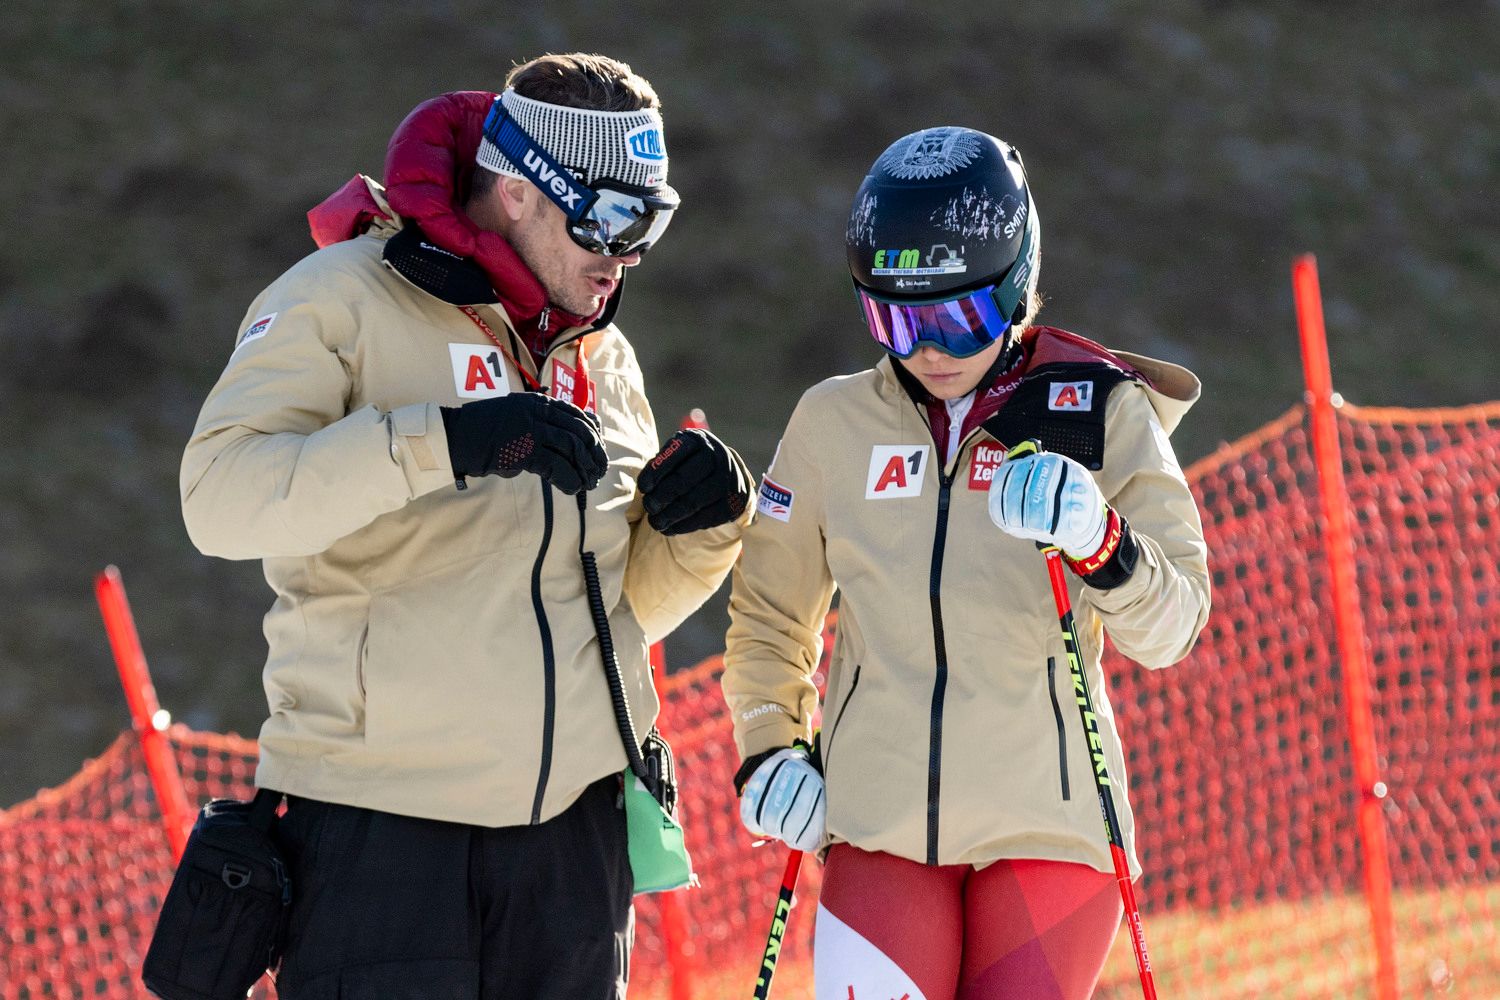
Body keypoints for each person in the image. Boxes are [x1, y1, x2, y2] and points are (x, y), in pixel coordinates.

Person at [180, 53, 752, 999]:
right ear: (520, 191)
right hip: (380, 834)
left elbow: (619, 613)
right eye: (608, 216)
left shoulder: (600, 352)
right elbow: (218, 497)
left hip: (571, 845)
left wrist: (702, 529)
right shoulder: (339, 296)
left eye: (652, 221)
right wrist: (439, 444)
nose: (628, 252)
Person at [722, 127, 1211, 1000]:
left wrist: (1100, 541)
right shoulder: (832, 424)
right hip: (880, 831)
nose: (930, 349)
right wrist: (771, 749)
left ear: (1018, 284)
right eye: (896, 319)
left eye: (961, 316)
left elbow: (1174, 626)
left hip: (1051, 835)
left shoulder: (1099, 409)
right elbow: (770, 618)